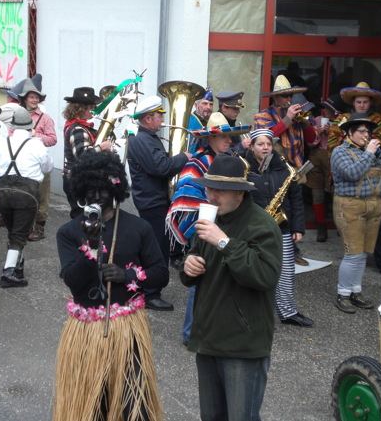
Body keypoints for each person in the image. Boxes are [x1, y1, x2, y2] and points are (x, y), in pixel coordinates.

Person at [53, 150, 167, 421]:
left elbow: (161, 274)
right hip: (85, 331)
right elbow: (73, 282)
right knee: (91, 407)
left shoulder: (138, 228)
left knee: (132, 403)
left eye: (101, 189)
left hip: (127, 330)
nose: (95, 195)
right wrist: (90, 248)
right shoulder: (69, 232)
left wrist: (127, 277)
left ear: (114, 188)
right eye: (89, 189)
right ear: (80, 189)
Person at [180, 154, 282, 421]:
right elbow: (193, 263)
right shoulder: (213, 218)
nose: (212, 196)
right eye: (210, 188)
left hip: (243, 345)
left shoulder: (263, 225)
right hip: (208, 339)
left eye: (221, 190)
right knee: (211, 417)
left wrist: (224, 243)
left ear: (239, 193)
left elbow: (265, 276)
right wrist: (188, 265)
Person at [165, 112, 250, 345]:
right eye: (223, 137)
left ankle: (216, 327)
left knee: (221, 279)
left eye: (230, 137)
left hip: (226, 230)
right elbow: (186, 199)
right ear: (210, 138)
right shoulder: (197, 162)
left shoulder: (229, 161)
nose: (229, 142)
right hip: (203, 229)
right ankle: (190, 332)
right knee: (199, 278)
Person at [331, 113, 381, 313]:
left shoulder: (373, 152)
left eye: (368, 132)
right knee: (352, 253)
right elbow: (352, 173)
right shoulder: (340, 151)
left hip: (374, 205)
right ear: (350, 132)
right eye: (361, 131)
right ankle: (342, 294)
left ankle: (355, 291)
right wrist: (369, 153)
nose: (366, 135)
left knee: (363, 253)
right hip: (350, 205)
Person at [127, 95, 191, 311]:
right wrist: (183, 157)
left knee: (155, 246)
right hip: (152, 202)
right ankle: (150, 293)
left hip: (154, 199)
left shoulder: (147, 138)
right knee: (156, 249)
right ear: (147, 119)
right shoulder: (142, 140)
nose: (162, 120)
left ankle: (144, 288)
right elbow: (161, 168)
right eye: (158, 116)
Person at [245, 129, 313, 327]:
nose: (265, 148)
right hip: (254, 229)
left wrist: (297, 227)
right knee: (253, 272)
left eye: (268, 144)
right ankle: (253, 313)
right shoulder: (244, 167)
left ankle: (288, 311)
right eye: (260, 144)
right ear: (252, 146)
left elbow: (296, 200)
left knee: (285, 272)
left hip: (281, 227)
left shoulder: (284, 167)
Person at [328, 81, 381, 277]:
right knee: (353, 251)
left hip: (373, 198)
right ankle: (346, 290)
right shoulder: (342, 131)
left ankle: (369, 277)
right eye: (359, 102)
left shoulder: (380, 120)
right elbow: (348, 169)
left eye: (366, 102)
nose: (362, 105)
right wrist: (364, 151)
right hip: (351, 200)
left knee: (370, 245)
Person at [254, 75, 317, 266]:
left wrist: (305, 122)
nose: (288, 100)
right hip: (272, 171)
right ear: (275, 98)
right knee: (275, 209)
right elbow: (267, 137)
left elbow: (311, 138)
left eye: (290, 96)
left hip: (295, 170)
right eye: (284, 96)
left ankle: (293, 250)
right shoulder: (262, 116)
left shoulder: (297, 115)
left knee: (294, 207)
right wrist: (288, 119)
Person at [0, 106, 53, 288]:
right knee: (19, 234)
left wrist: (1, 186)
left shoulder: (2, 143)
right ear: (29, 127)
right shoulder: (35, 144)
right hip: (26, 193)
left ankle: (17, 266)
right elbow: (48, 167)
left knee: (13, 231)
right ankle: (8, 272)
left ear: (13, 127)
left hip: (2, 191)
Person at [12, 77, 57, 242]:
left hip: (40, 162)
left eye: (37, 97)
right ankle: (23, 225)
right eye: (31, 97)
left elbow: (53, 139)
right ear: (25, 99)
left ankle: (39, 227)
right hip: (22, 162)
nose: (35, 100)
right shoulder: (17, 115)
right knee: (23, 194)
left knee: (42, 195)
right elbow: (11, 134)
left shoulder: (45, 118)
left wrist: (35, 136)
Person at [62, 87, 111, 219]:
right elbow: (82, 155)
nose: (94, 111)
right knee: (82, 218)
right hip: (77, 179)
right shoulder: (78, 129)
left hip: (76, 178)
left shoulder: (78, 126)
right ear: (82, 108)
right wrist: (102, 147)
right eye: (91, 108)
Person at [307, 94, 347, 242]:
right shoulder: (317, 120)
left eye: (329, 109)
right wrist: (319, 132)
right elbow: (310, 143)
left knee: (336, 195)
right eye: (325, 108)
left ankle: (340, 226)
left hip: (334, 159)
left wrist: (332, 132)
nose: (326, 111)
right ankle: (321, 227)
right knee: (317, 194)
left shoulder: (342, 122)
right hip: (316, 157)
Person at [187, 86, 213, 153]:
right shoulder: (188, 121)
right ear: (195, 105)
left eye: (211, 104)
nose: (208, 107)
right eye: (204, 103)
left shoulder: (214, 120)